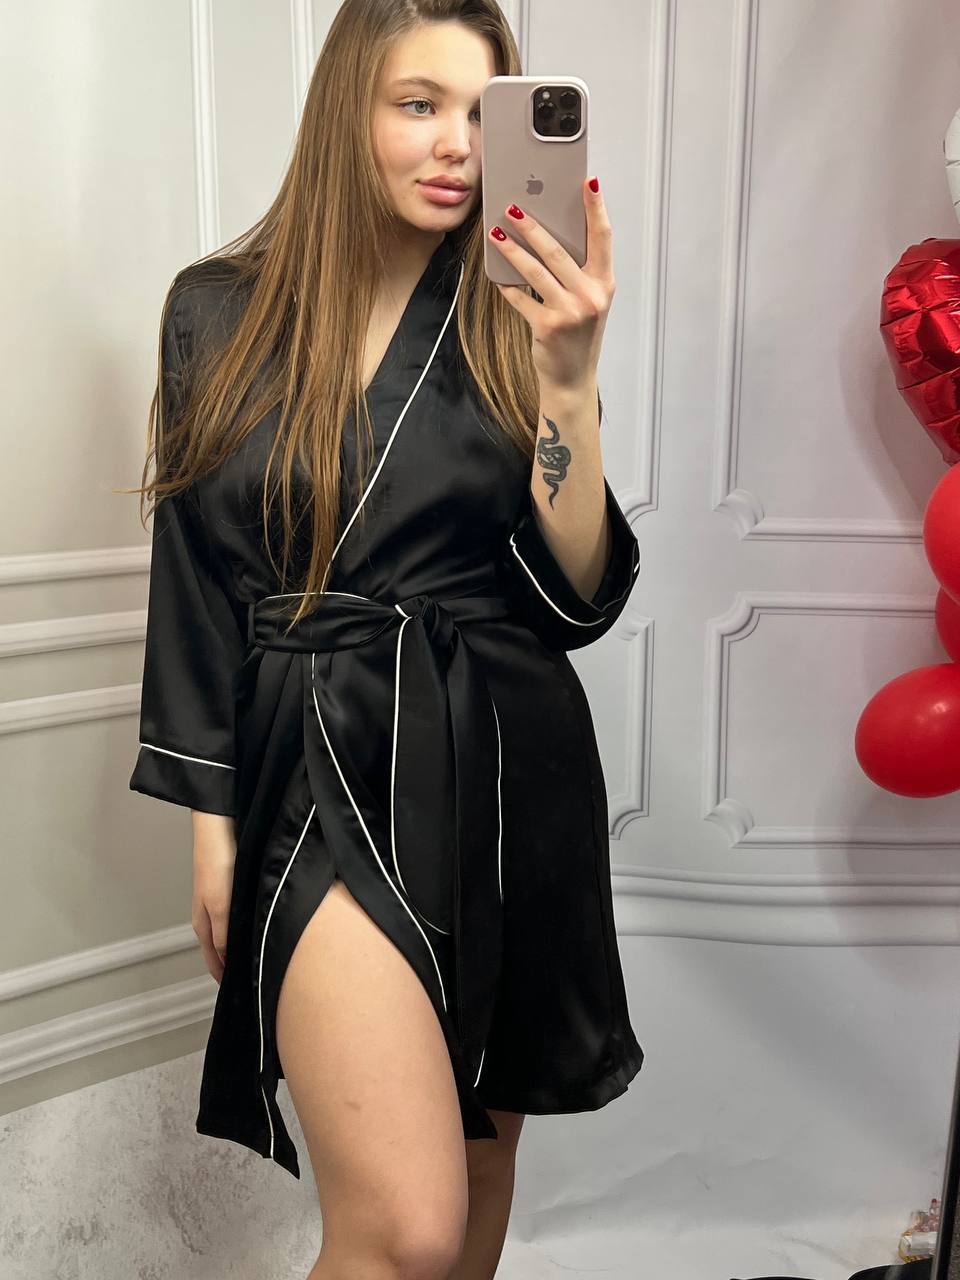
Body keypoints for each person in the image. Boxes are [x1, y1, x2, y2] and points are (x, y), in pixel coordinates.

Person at [126, 2, 644, 1276]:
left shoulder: (516, 311)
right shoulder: (216, 311)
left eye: (482, 112)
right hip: (316, 760)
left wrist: (570, 377)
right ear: (347, 109)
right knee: (405, 1226)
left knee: (475, 1172)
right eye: (420, 105)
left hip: (504, 762)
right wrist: (213, 827)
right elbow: (195, 575)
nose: (459, 144)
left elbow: (576, 596)